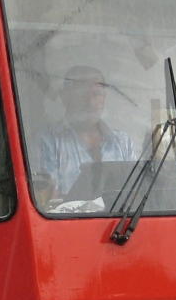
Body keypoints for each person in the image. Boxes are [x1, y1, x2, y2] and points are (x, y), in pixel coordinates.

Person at [33, 65, 136, 204]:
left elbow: (135, 195)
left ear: (104, 98)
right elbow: (48, 201)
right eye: (81, 95)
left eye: (96, 94)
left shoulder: (123, 142)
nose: (90, 103)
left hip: (121, 224)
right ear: (64, 97)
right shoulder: (47, 142)